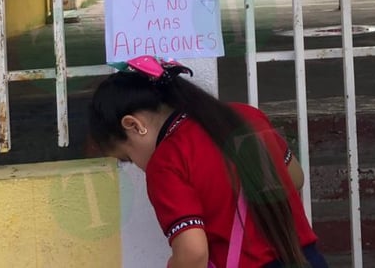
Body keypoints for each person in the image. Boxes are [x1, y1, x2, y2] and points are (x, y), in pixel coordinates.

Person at [88, 55, 328, 268]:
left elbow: (193, 254)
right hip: (307, 258)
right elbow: (296, 178)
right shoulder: (246, 115)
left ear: (133, 125)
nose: (137, 164)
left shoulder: (166, 163)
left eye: (127, 157)